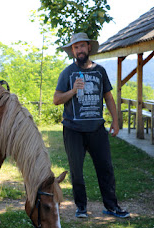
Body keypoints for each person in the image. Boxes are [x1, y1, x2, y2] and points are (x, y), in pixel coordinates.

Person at [53, 32, 130, 218]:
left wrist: (115, 121)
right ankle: (81, 207)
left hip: (97, 129)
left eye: (82, 46)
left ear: (89, 48)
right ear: (72, 51)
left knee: (106, 169)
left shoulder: (100, 71)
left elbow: (108, 97)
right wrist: (73, 90)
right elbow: (56, 99)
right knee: (76, 172)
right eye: (75, 47)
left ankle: (112, 207)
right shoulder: (67, 73)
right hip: (73, 129)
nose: (79, 50)